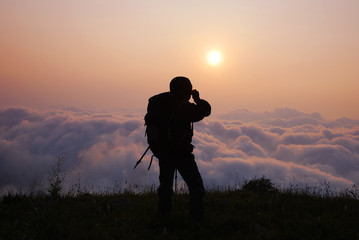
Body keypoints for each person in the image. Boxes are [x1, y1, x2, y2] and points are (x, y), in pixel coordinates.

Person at [144, 76, 211, 225]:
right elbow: (206, 111)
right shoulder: (184, 107)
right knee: (196, 186)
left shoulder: (157, 103)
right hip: (181, 153)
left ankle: (163, 215)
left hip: (163, 151)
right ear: (185, 90)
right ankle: (195, 219)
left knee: (165, 185)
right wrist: (198, 99)